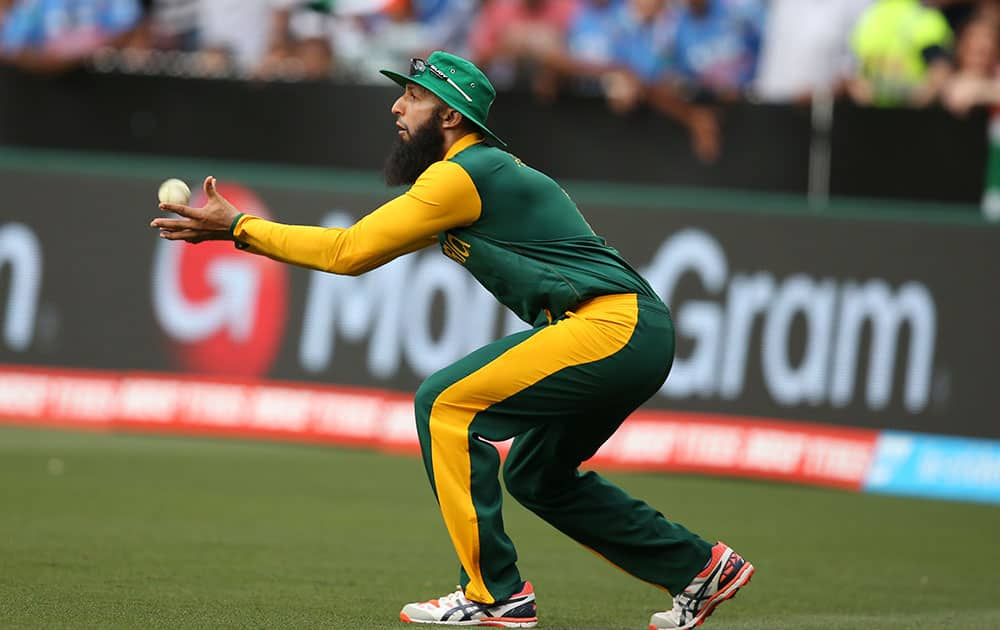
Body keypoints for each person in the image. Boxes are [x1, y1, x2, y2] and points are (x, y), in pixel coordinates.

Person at [149, 50, 754, 630]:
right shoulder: (468, 179)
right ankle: (697, 568)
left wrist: (239, 228)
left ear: (449, 115)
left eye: (411, 97)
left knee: (444, 403)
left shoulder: (464, 174)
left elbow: (347, 251)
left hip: (612, 326)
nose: (396, 109)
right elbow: (359, 250)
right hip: (629, 332)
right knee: (537, 477)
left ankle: (495, 596)